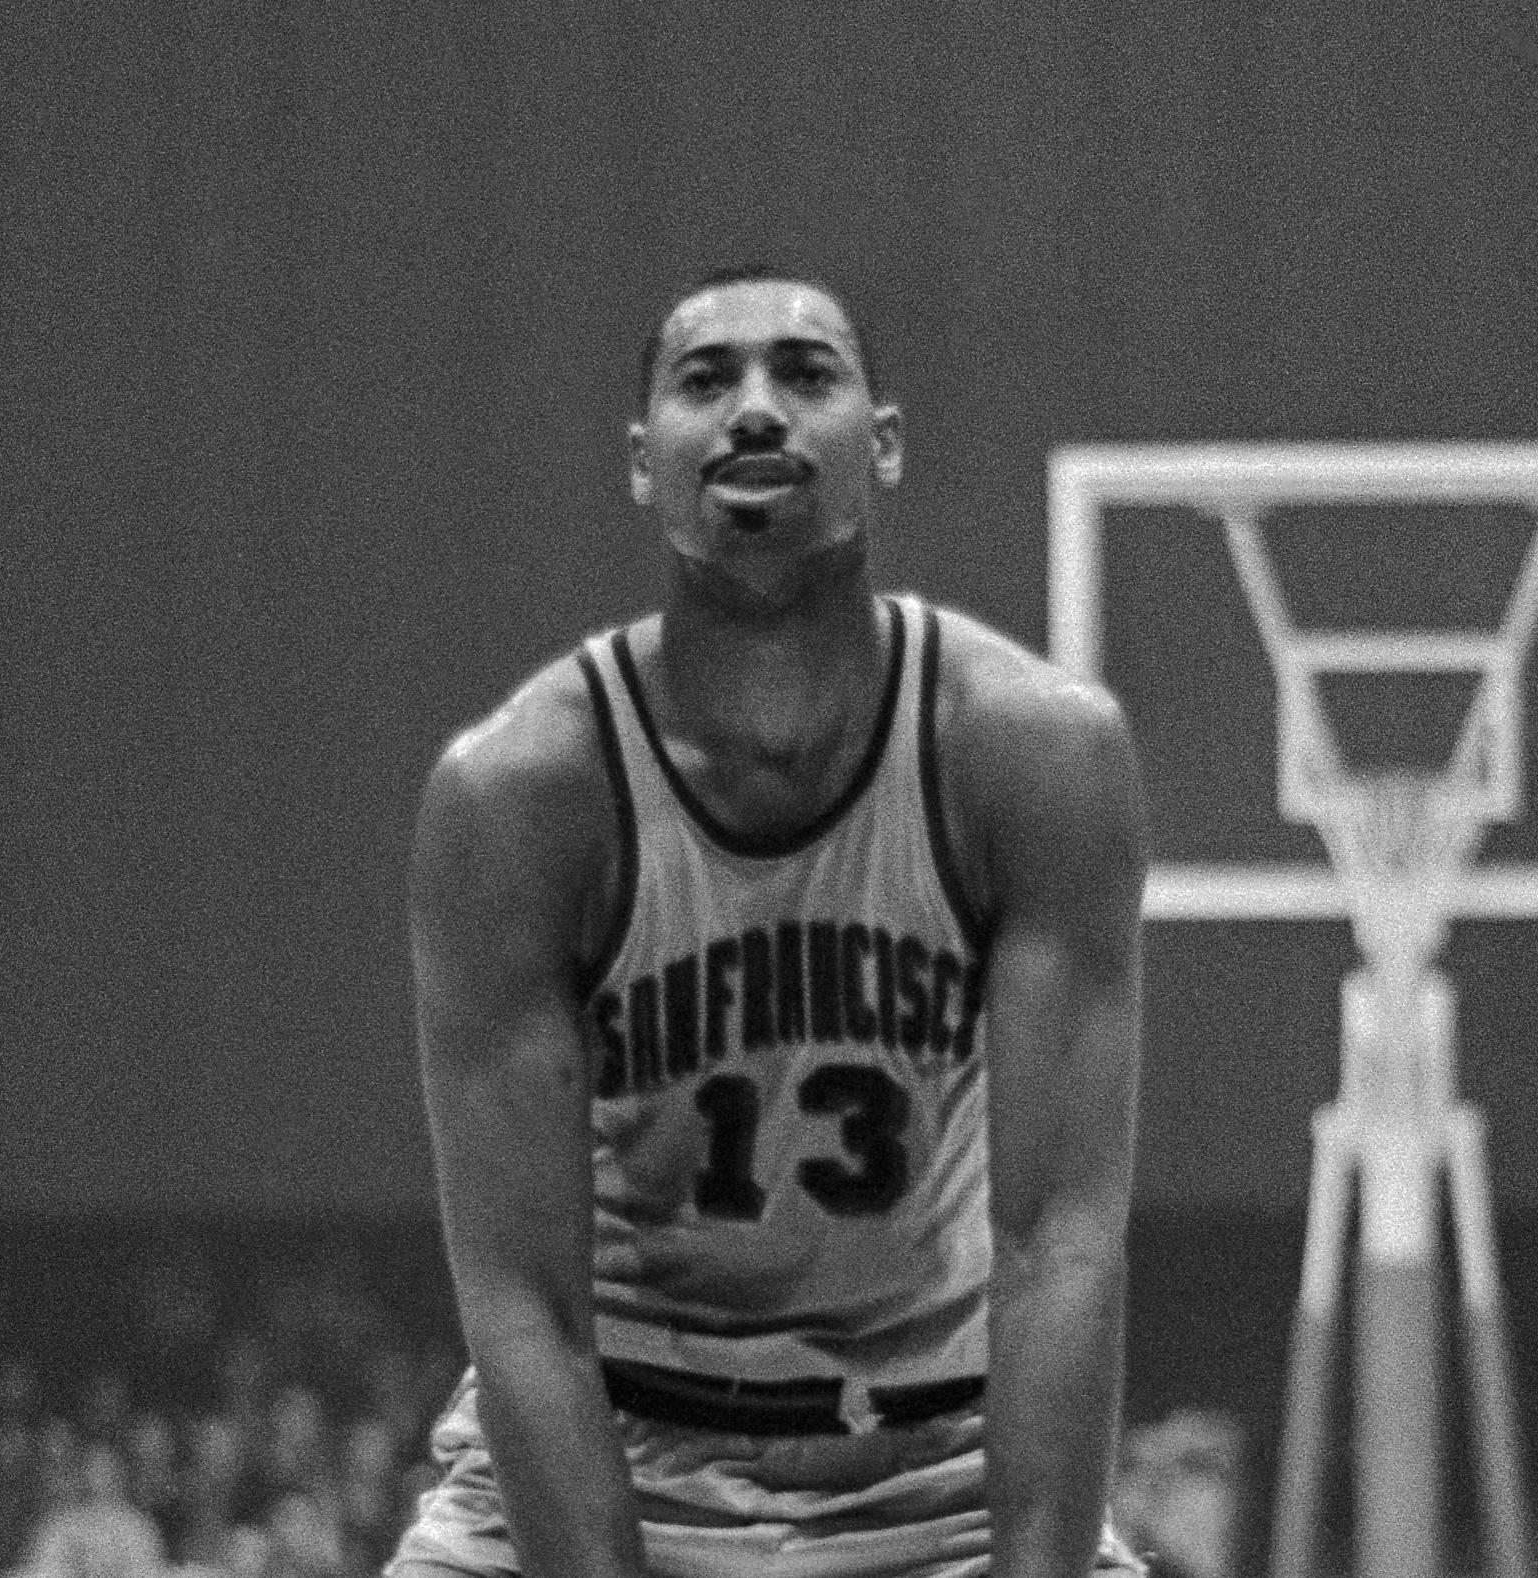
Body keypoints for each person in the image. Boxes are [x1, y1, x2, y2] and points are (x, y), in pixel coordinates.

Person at [390, 266, 1149, 1578]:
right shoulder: (515, 797)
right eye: (706, 379)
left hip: (936, 1475)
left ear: (885, 442)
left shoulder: (1033, 754)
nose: (753, 409)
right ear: (644, 460)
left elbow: (1058, 1249)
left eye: (804, 374)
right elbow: (523, 1307)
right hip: (603, 1462)